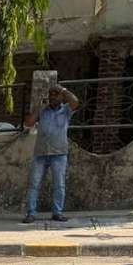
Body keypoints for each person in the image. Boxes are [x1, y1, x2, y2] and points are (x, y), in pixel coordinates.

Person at [22, 85, 80, 223]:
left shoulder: (66, 110)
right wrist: (38, 108)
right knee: (34, 184)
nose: (52, 96)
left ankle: (57, 213)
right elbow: (28, 123)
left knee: (59, 184)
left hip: (59, 153)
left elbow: (75, 102)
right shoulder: (42, 111)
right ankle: (31, 213)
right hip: (40, 153)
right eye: (51, 94)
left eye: (56, 94)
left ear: (61, 97)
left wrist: (63, 90)